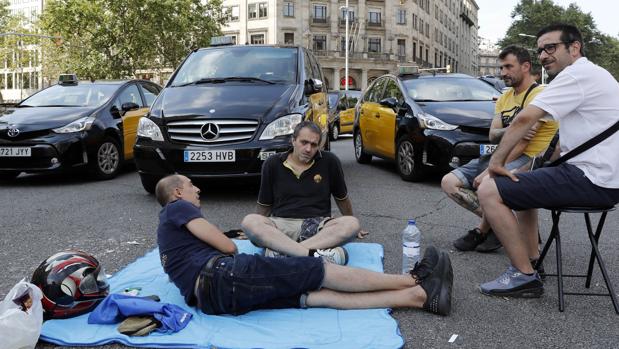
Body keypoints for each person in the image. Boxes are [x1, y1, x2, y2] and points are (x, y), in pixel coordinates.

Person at [155, 174, 454, 316]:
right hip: (222, 276)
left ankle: (418, 297)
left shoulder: (167, 230)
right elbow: (228, 247)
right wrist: (223, 242)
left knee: (315, 295)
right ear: (178, 192)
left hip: (213, 301)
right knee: (317, 269)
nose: (198, 189)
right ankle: (413, 278)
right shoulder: (177, 208)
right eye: (192, 185)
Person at [477, 24, 619, 297]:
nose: (543, 55)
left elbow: (525, 119)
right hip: (603, 178)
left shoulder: (576, 76)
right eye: (540, 49)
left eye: (551, 47)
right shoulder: (594, 75)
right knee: (519, 182)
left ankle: (523, 276)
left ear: (574, 47)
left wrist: (495, 165)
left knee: (489, 189)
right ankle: (531, 259)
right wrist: (529, 168)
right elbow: (562, 146)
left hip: (592, 179)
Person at [441, 45, 558, 253]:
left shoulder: (540, 95)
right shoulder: (505, 97)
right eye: (501, 67)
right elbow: (492, 134)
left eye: (508, 67)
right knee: (449, 182)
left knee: (487, 182)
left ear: (525, 66)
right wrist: (514, 130)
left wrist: (491, 168)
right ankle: (502, 226)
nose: (502, 72)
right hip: (500, 153)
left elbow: (523, 142)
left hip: (528, 158)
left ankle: (482, 231)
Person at [241, 121, 367, 265]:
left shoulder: (330, 161)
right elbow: (264, 205)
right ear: (293, 140)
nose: (308, 149)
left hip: (319, 227)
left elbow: (342, 198)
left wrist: (354, 227)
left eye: (314, 145)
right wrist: (255, 230)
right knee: (250, 221)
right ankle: (314, 254)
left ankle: (285, 253)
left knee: (351, 223)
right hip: (281, 226)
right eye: (304, 142)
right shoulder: (272, 163)